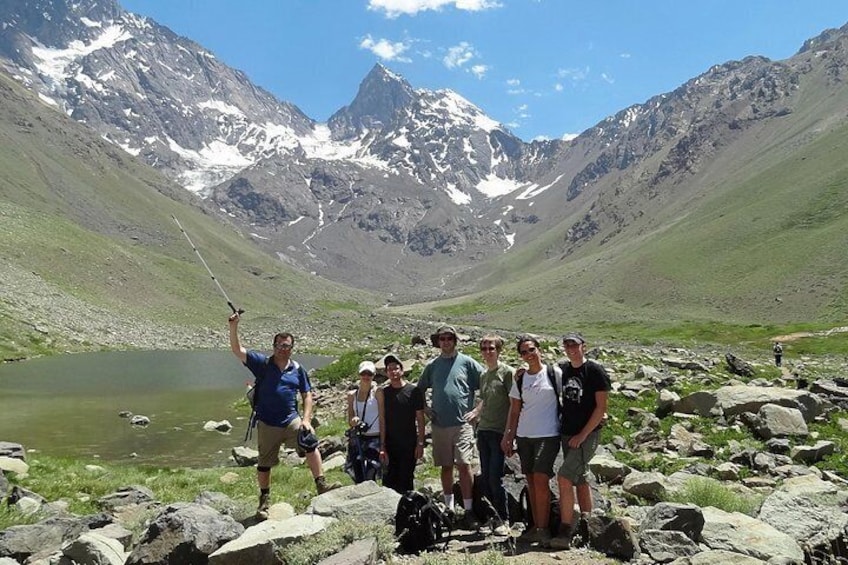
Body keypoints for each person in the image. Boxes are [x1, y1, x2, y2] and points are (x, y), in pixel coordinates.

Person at [228, 312, 340, 521]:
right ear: (274, 347)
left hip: (291, 420)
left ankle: (321, 484)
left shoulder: (298, 369)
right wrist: (234, 327)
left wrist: (306, 420)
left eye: (286, 346)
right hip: (267, 423)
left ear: (291, 348)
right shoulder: (262, 364)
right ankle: (264, 499)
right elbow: (237, 350)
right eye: (279, 345)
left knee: (309, 442)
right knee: (264, 463)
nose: (282, 349)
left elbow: (307, 395)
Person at [417, 324, 484, 530]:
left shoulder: (467, 362)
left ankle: (469, 509)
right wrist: (427, 410)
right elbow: (419, 390)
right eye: (442, 339)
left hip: (462, 424)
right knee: (446, 466)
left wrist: (477, 410)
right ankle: (449, 508)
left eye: (449, 338)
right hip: (439, 425)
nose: (445, 342)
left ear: (455, 341)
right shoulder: (433, 365)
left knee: (464, 464)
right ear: (438, 342)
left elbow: (487, 385)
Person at [548, 332, 611, 550]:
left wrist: (583, 435)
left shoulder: (594, 371)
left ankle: (565, 531)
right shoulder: (563, 369)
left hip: (587, 434)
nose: (571, 348)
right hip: (567, 432)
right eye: (567, 345)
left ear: (584, 346)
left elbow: (601, 407)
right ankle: (589, 524)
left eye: (574, 344)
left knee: (564, 477)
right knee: (580, 477)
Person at [501, 335, 562, 547]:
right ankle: (536, 526)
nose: (528, 355)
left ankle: (544, 529)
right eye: (524, 352)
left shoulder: (554, 374)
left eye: (531, 350)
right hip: (524, 435)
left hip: (548, 433)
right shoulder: (520, 378)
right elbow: (515, 409)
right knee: (530, 481)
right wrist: (509, 435)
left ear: (539, 349)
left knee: (540, 478)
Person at [469, 334, 514, 536]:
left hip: (499, 431)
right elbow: (485, 400)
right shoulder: (484, 375)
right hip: (484, 430)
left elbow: (515, 404)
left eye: (491, 348)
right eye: (484, 348)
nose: (487, 352)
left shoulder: (507, 373)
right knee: (486, 477)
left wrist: (510, 433)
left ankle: (503, 518)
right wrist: (476, 412)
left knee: (496, 477)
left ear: (499, 350)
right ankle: (490, 517)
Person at [376, 353, 426, 493]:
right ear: (386, 373)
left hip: (409, 444)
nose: (393, 372)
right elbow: (382, 419)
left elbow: (420, 419)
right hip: (390, 444)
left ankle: (408, 511)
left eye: (396, 368)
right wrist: (382, 446)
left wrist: (420, 443)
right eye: (389, 369)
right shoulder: (384, 393)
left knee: (406, 480)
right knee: (389, 481)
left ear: (402, 370)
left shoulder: (413, 391)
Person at [344, 360, 382, 483]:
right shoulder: (352, 395)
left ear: (373, 375)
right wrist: (354, 421)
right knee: (357, 474)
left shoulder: (377, 393)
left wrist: (384, 442)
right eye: (363, 374)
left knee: (372, 472)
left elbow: (383, 417)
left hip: (374, 438)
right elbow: (350, 419)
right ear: (359, 375)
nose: (366, 377)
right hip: (358, 439)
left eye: (369, 374)